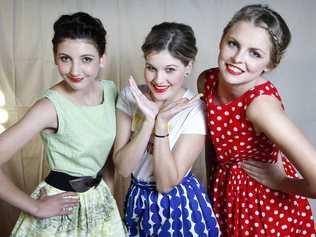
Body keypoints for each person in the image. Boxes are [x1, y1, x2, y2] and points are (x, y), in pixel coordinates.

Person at [0, 12, 126, 236]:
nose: (75, 71)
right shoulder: (49, 107)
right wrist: (36, 207)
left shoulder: (110, 90)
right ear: (55, 56)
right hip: (62, 211)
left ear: (102, 58)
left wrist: (108, 188)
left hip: (100, 205)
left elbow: (109, 150)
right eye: (65, 58)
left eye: (86, 59)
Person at [197, 4, 316, 236]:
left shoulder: (261, 107)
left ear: (269, 65)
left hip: (263, 208)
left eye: (255, 53)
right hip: (225, 195)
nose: (238, 58)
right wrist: (212, 184)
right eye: (233, 44)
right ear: (221, 39)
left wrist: (282, 182)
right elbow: (213, 142)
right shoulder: (207, 81)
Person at [113, 22, 220, 236]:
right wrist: (148, 121)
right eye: (151, 68)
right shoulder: (130, 96)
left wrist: (161, 124)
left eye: (170, 69)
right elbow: (123, 168)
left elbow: (165, 184)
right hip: (138, 199)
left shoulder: (195, 110)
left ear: (188, 67)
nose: (158, 80)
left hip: (178, 205)